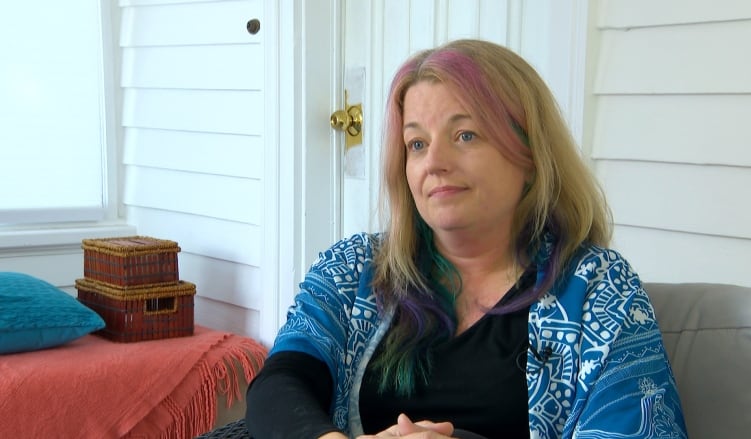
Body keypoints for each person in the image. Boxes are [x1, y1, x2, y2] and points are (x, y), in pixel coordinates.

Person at [245, 39, 688, 439]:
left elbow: (635, 428)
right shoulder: (355, 269)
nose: (434, 162)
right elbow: (280, 384)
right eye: (416, 143)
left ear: (531, 154)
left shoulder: (596, 287)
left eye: (465, 135)